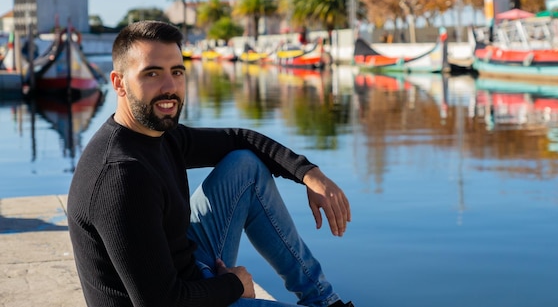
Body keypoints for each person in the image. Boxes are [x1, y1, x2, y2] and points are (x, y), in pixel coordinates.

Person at [67, 21, 355, 307]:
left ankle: (324, 301)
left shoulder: (159, 136)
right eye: (152, 73)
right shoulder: (122, 176)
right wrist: (233, 285)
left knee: (246, 166)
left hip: (190, 272)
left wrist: (309, 174)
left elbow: (240, 138)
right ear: (119, 83)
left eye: (177, 72)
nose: (170, 87)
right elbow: (161, 303)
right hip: (176, 301)